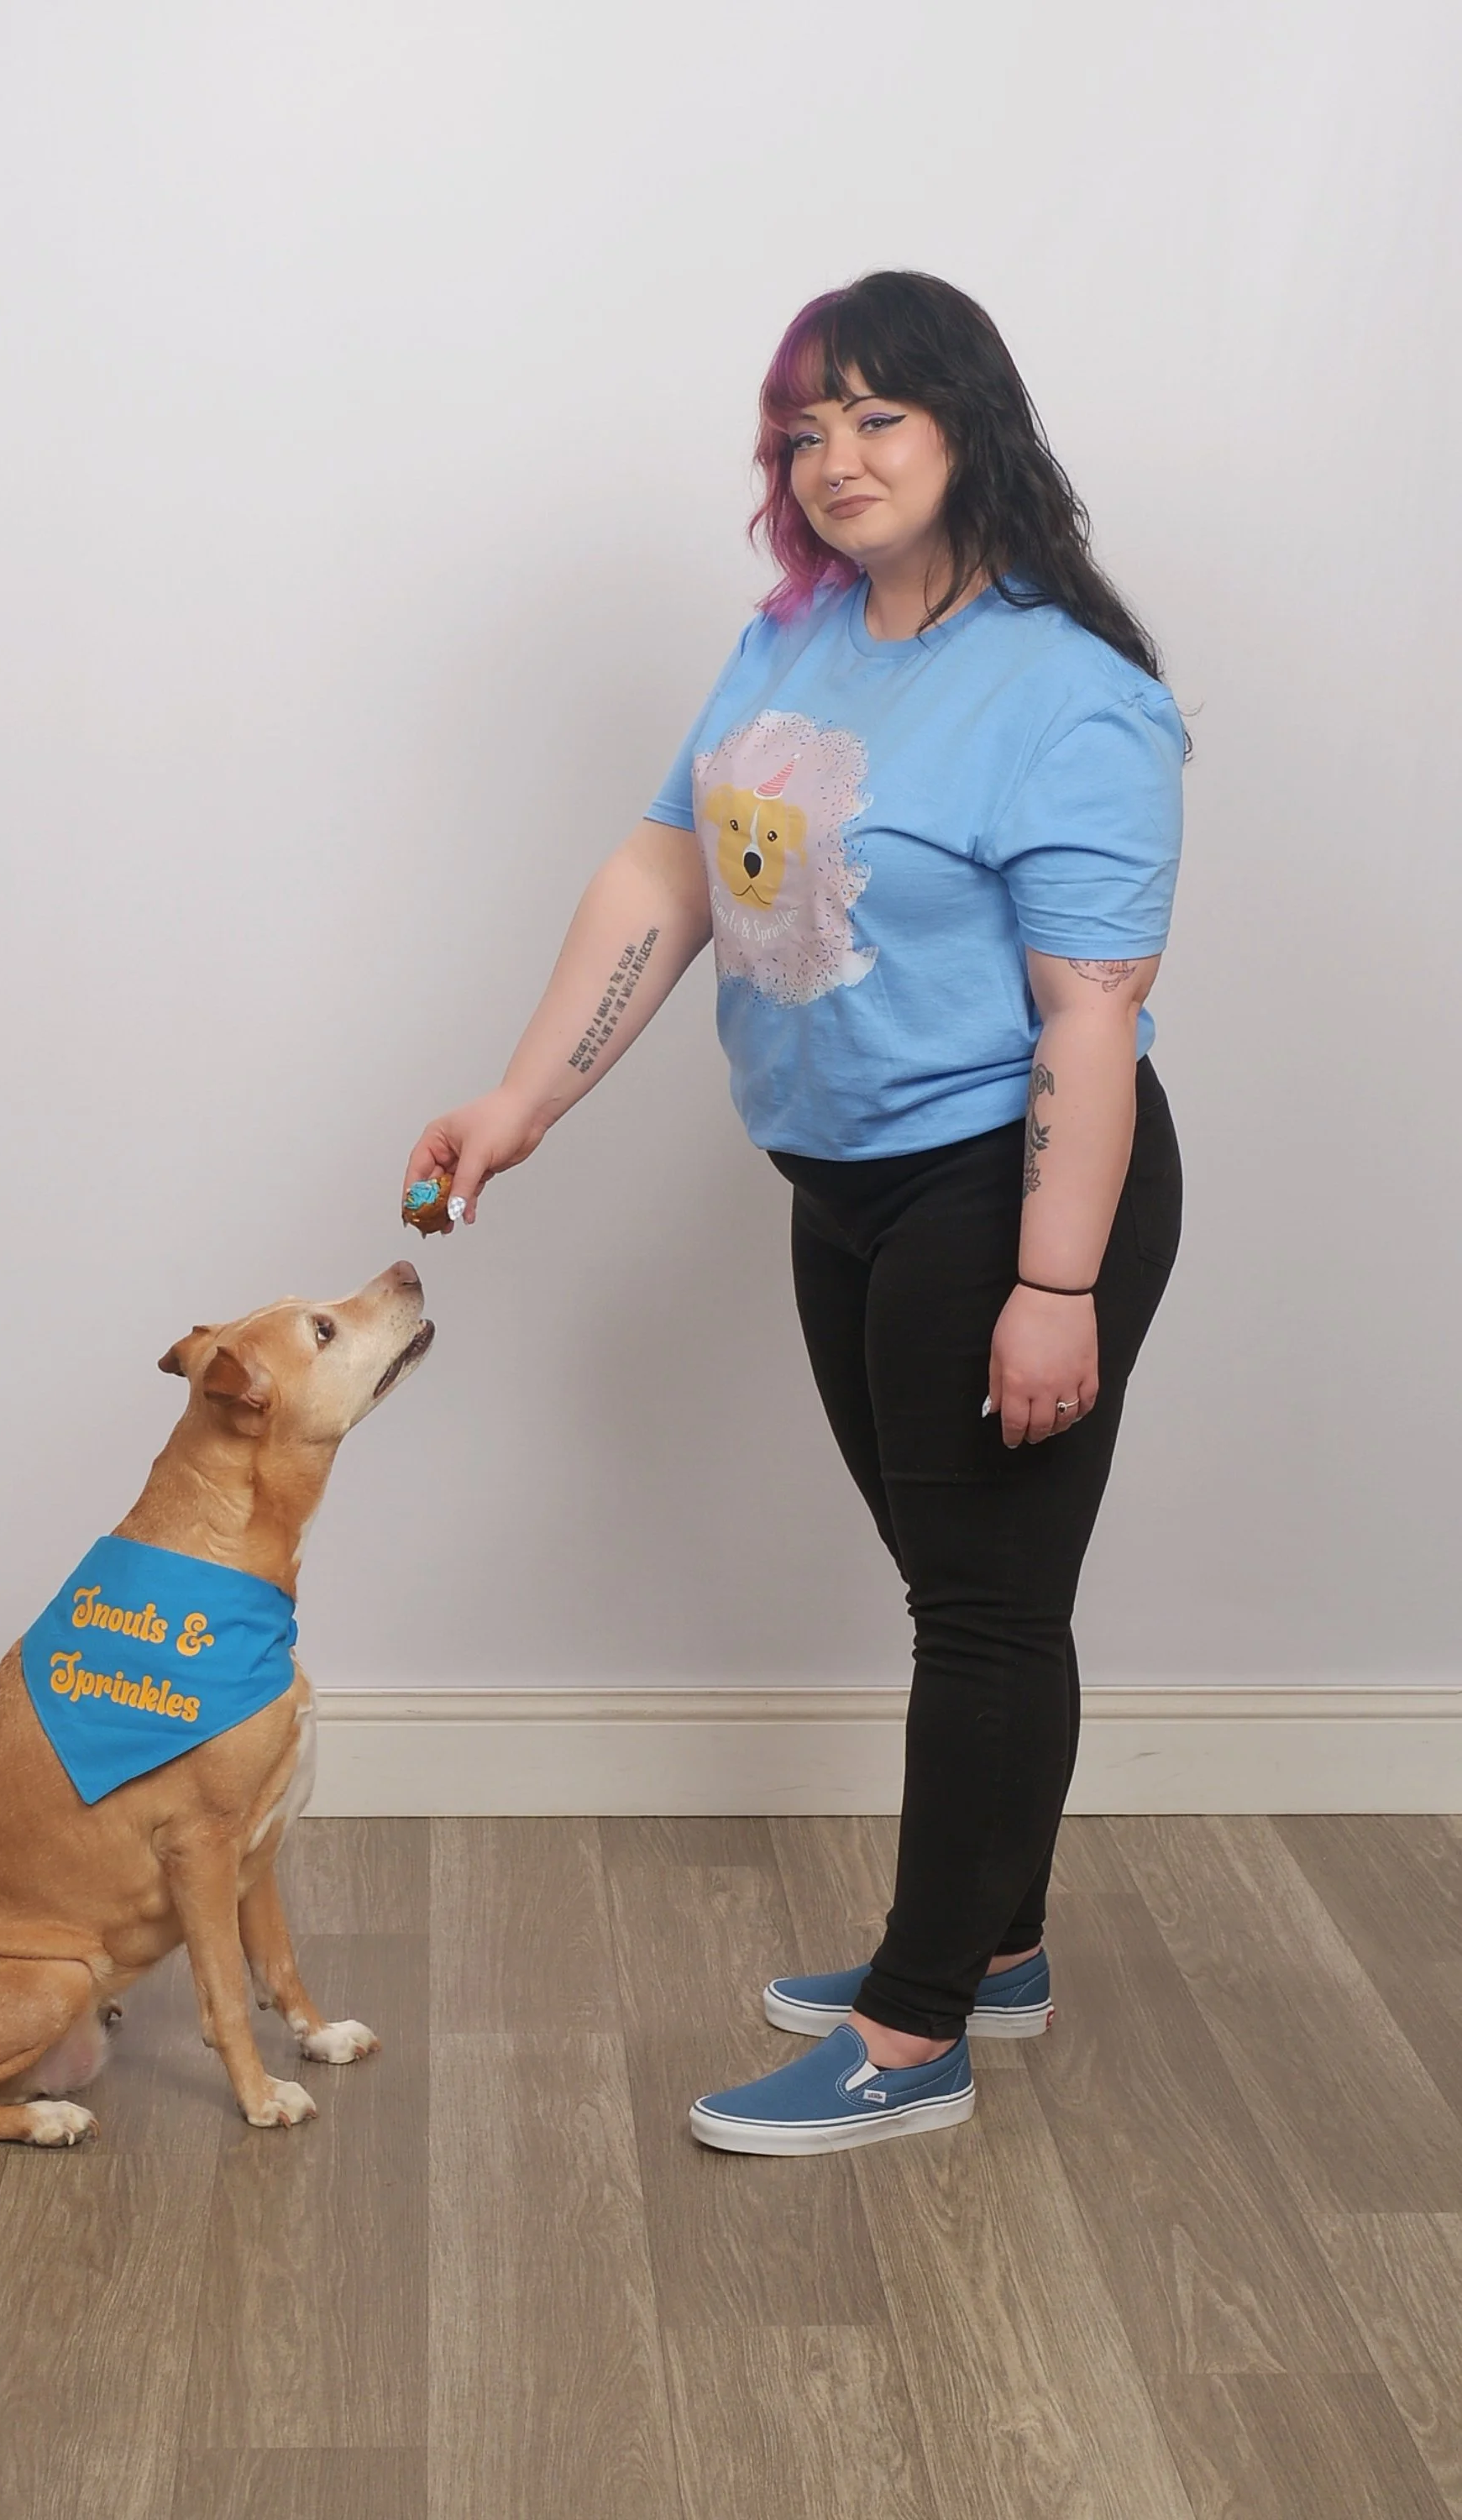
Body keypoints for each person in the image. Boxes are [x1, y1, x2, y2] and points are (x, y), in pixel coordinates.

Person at [403, 270, 1185, 2157]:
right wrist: (524, 1099)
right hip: (839, 1188)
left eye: (877, 418)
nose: (833, 458)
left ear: (970, 425)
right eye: (803, 426)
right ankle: (993, 1948)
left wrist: (1051, 1283)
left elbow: (1094, 1012)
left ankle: (914, 2039)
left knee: (982, 1619)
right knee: (980, 1594)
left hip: (1002, 1187)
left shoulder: (1075, 695)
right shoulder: (803, 636)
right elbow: (674, 860)